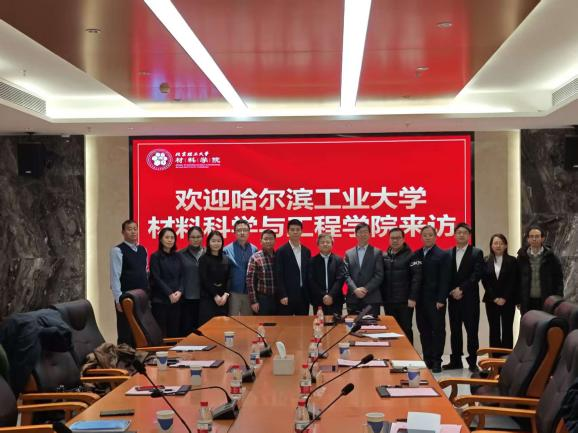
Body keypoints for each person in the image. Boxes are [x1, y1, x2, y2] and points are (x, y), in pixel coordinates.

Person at [444, 222, 485, 372]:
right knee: (455, 331)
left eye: (464, 233)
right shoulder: (448, 253)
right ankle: (455, 360)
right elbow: (446, 276)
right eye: (458, 232)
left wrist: (461, 289)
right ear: (454, 235)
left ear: (469, 236)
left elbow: (476, 275)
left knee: (472, 331)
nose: (461, 235)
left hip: (469, 299)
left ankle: (473, 362)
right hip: (453, 299)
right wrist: (451, 291)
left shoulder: (476, 252)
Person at [414, 225, 451, 373]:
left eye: (430, 235)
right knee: (423, 330)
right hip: (420, 301)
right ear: (421, 237)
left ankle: (437, 361)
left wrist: (441, 299)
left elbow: (445, 279)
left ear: (435, 237)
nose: (427, 237)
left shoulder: (443, 255)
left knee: (438, 331)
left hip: (436, 301)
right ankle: (427, 359)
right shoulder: (416, 254)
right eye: (425, 235)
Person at [109, 219, 148, 345]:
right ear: (123, 232)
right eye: (129, 229)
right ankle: (124, 355)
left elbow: (144, 272)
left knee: (141, 330)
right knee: (126, 330)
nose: (133, 232)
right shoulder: (117, 250)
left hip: (141, 296)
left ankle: (140, 354)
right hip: (126, 297)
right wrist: (118, 299)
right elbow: (115, 276)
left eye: (135, 229)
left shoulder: (143, 249)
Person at [381, 227, 422, 344]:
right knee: (391, 330)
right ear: (389, 239)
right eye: (392, 238)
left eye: (398, 238)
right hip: (388, 301)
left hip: (405, 302)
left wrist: (413, 297)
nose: (395, 240)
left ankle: (408, 354)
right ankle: (395, 353)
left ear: (403, 239)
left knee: (406, 329)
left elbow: (417, 278)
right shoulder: (384, 256)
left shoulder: (411, 255)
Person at [481, 233, 518, 349]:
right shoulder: (485, 260)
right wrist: (495, 298)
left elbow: (513, 281)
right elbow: (485, 282)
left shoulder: (512, 261)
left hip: (508, 300)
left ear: (506, 246)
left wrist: (504, 297)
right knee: (494, 329)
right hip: (491, 301)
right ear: (491, 245)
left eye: (501, 243)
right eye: (495, 243)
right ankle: (495, 357)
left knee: (507, 329)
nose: (498, 246)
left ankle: (506, 357)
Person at [517, 225, 564, 314]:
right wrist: (517, 300)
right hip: (526, 301)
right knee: (528, 322)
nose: (534, 239)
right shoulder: (521, 257)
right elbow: (517, 280)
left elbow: (558, 280)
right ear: (528, 239)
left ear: (542, 238)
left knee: (546, 322)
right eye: (531, 236)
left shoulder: (551, 257)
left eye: (537, 236)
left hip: (546, 300)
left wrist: (558, 300)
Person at [343, 222, 384, 316]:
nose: (363, 234)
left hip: (371, 298)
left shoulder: (377, 252)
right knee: (353, 324)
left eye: (365, 232)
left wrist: (365, 289)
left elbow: (379, 275)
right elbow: (345, 274)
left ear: (369, 234)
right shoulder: (348, 253)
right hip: (353, 299)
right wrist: (355, 289)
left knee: (372, 324)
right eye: (360, 232)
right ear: (356, 234)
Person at [149, 227, 183, 338]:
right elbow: (156, 278)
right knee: (161, 333)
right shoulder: (155, 256)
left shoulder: (178, 256)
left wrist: (180, 291)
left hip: (176, 300)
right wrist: (169, 293)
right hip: (160, 300)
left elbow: (182, 276)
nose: (170, 240)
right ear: (160, 239)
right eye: (167, 237)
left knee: (175, 332)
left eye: (172, 237)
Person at [275, 219, 311, 315]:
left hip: (303, 295)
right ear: (288, 232)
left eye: (298, 229)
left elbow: (308, 274)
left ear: (301, 232)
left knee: (303, 323)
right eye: (292, 229)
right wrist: (282, 294)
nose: (295, 232)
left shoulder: (306, 251)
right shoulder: (281, 251)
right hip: (287, 296)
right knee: (286, 323)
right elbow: (279, 275)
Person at [223, 219, 258, 316]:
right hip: (233, 292)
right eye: (239, 230)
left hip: (249, 292)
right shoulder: (226, 250)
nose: (242, 233)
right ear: (234, 232)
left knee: (247, 321)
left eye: (245, 230)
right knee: (232, 319)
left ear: (249, 232)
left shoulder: (254, 249)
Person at [198, 230, 232, 326]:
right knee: (207, 327)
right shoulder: (203, 259)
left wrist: (226, 295)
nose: (216, 243)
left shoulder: (226, 259)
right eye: (213, 241)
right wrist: (215, 295)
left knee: (222, 326)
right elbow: (204, 279)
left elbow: (229, 278)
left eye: (218, 241)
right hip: (208, 298)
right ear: (208, 242)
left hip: (223, 299)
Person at [308, 233, 345, 316]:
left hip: (336, 299)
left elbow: (340, 280)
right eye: (322, 242)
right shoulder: (312, 261)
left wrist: (331, 295)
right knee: (319, 323)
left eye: (328, 242)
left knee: (336, 323)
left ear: (332, 244)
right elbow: (311, 281)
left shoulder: (339, 260)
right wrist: (324, 295)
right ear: (318, 245)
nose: (325, 244)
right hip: (318, 300)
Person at [178, 226, 205, 334]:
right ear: (188, 238)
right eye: (193, 237)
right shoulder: (180, 254)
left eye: (198, 237)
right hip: (187, 298)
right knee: (187, 330)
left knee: (203, 329)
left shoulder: (208, 253)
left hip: (205, 298)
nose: (196, 239)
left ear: (202, 237)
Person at [247, 230, 278, 315]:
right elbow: (250, 281)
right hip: (262, 299)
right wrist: (253, 301)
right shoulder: (255, 258)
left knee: (278, 322)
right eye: (266, 239)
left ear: (275, 241)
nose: (268, 241)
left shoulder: (279, 256)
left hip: (277, 298)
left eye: (271, 239)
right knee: (262, 323)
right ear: (261, 241)